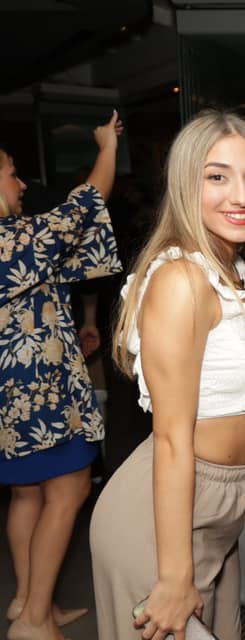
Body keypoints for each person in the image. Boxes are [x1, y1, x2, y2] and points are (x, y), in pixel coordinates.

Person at [89, 110, 245, 640]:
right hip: (164, 523)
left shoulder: (234, 271)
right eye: (217, 176)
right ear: (184, 184)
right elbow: (173, 438)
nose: (241, 195)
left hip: (221, 510)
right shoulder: (181, 278)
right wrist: (175, 577)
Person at [0, 111, 124, 640]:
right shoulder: (12, 240)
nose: (22, 184)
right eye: (12, 173)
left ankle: (30, 602)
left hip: (11, 395)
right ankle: (33, 621)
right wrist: (107, 146)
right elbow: (86, 203)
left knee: (27, 493)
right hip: (38, 391)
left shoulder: (14, 239)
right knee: (70, 488)